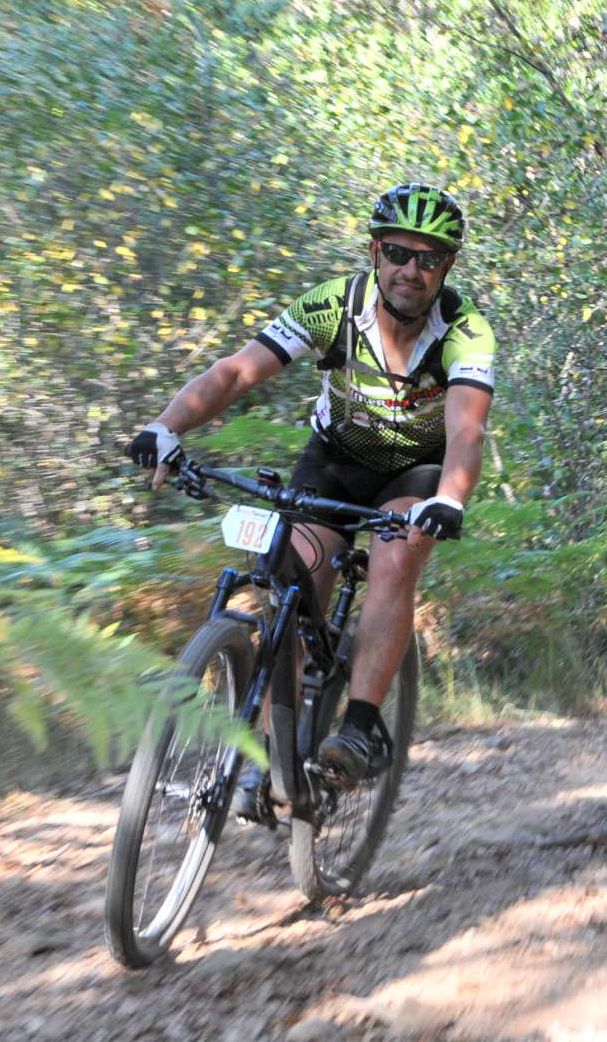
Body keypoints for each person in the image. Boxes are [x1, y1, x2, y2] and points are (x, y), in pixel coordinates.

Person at [125, 183, 495, 805]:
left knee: (395, 560)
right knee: (294, 583)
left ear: (447, 267)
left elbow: (466, 431)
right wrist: (166, 427)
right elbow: (236, 372)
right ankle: (271, 757)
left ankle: (359, 729)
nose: (411, 270)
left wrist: (451, 499)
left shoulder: (466, 332)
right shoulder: (332, 306)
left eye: (428, 258)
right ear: (375, 253)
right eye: (398, 253)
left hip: (415, 472)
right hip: (335, 460)